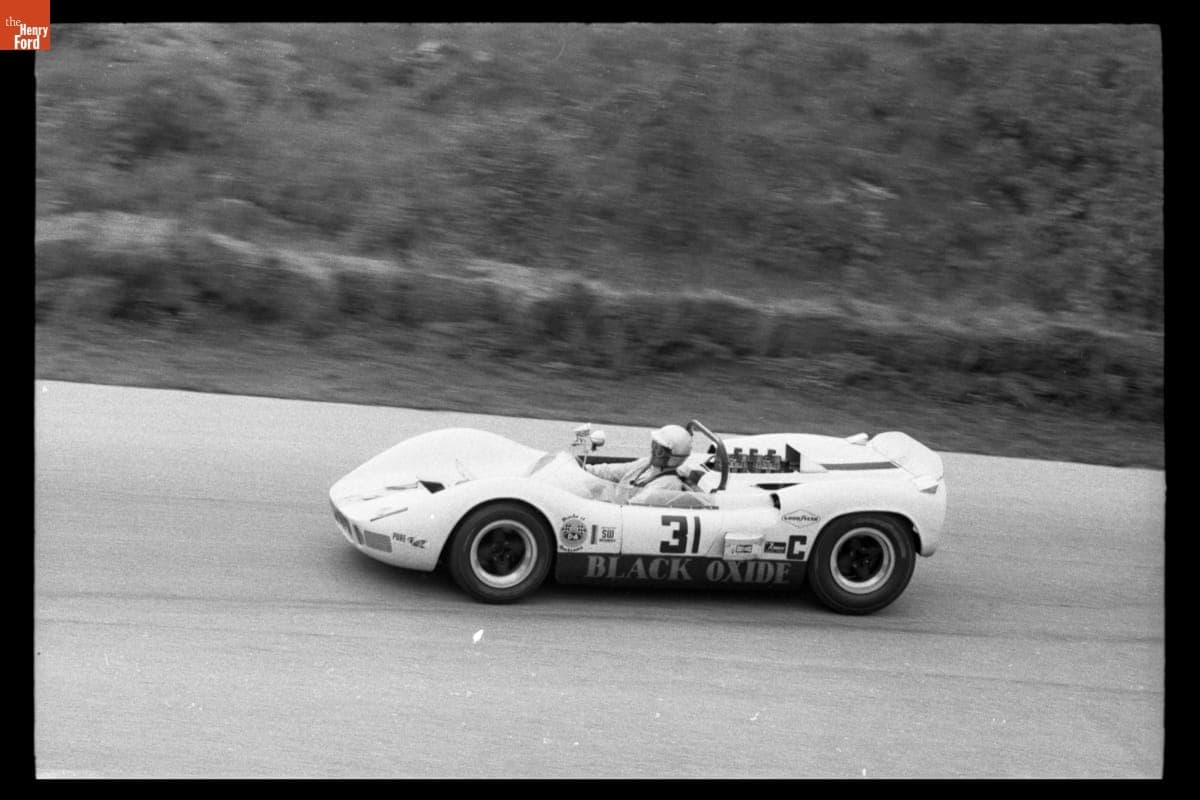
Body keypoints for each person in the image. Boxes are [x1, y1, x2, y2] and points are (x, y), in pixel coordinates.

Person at [584, 424, 695, 492]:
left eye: (660, 450)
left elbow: (633, 506)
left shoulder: (667, 484)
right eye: (654, 444)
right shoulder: (646, 464)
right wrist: (584, 468)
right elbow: (612, 471)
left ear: (673, 458)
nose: (654, 450)